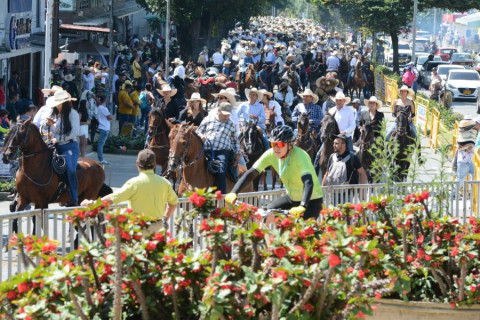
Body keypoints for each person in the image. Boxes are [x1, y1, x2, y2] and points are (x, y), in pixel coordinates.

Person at [225, 125, 323, 220]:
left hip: (311, 201)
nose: (276, 148)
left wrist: (303, 205)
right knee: (266, 214)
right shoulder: (271, 154)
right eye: (273, 144)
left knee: (300, 233)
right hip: (292, 198)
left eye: (280, 144)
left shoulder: (301, 155)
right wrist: (234, 192)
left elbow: (308, 182)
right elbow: (251, 173)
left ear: (290, 145)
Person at [81, 149, 178, 234]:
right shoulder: (165, 183)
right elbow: (174, 202)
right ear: (155, 165)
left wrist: (92, 203)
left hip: (139, 229)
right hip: (158, 228)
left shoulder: (134, 183)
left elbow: (112, 199)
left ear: (137, 164)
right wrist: (165, 218)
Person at [196, 102, 241, 194]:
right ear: (218, 111)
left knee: (221, 171)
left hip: (222, 152)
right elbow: (198, 131)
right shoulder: (208, 119)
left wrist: (237, 152)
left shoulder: (231, 124)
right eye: (224, 114)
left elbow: (235, 140)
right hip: (205, 150)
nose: (226, 116)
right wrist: (201, 136)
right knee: (192, 164)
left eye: (228, 114)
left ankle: (221, 196)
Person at [45, 90, 80, 207]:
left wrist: (58, 139)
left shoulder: (73, 114)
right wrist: (50, 126)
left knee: (70, 170)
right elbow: (56, 131)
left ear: (63, 104)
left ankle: (74, 197)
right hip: (56, 145)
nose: (57, 106)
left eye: (58, 104)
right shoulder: (57, 115)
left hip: (69, 146)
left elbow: (75, 132)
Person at [322, 134, 367, 203]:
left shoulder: (353, 158)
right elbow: (327, 174)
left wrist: (362, 192)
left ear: (343, 145)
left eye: (336, 143)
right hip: (332, 193)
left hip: (346, 195)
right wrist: (322, 189)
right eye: (334, 143)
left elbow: (362, 174)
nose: (334, 145)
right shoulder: (332, 157)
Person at [452, 120, 476, 199]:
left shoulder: (471, 136)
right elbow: (460, 148)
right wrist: (469, 145)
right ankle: (453, 194)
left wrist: (470, 145)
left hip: (471, 161)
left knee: (474, 177)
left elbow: (471, 147)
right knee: (460, 179)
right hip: (463, 162)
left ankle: (473, 195)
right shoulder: (461, 138)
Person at [96, 95, 112, 164]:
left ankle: (100, 158)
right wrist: (108, 117)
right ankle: (100, 158)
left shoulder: (99, 107)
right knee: (101, 143)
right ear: (105, 100)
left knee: (101, 143)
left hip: (103, 127)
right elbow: (110, 117)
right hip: (104, 127)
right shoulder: (103, 108)